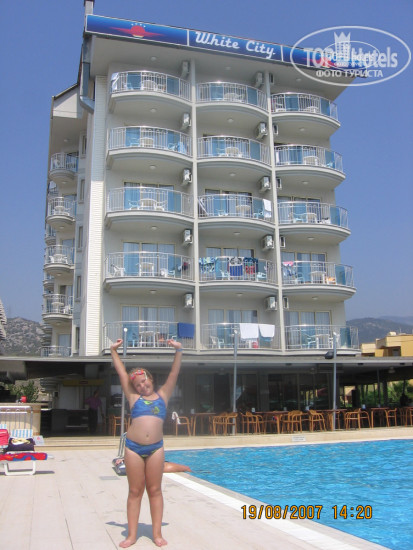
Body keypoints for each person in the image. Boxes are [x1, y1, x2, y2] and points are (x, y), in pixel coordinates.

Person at [110, 337, 183, 548]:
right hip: (133, 448)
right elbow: (122, 374)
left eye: (144, 381)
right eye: (138, 384)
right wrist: (114, 351)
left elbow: (174, 374)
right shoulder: (134, 398)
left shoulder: (163, 395)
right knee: (135, 491)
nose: (142, 386)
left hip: (156, 449)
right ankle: (131, 535)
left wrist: (178, 350)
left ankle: (157, 534)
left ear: (151, 378)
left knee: (155, 490)